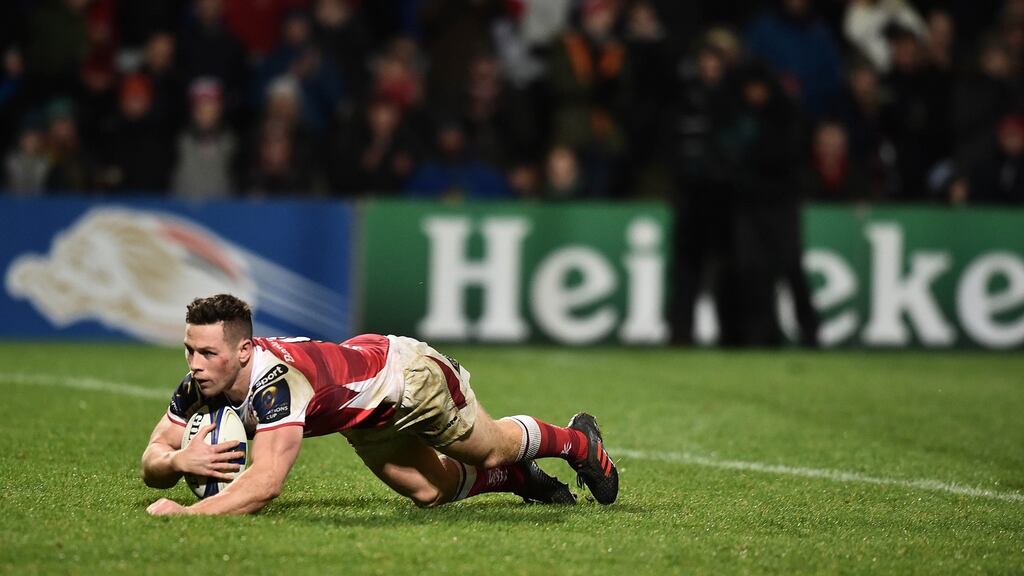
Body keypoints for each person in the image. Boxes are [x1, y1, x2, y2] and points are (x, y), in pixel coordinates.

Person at [143, 294, 618, 515]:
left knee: (489, 447)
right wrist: (178, 459)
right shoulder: (199, 384)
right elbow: (152, 458)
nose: (196, 363)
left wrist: (189, 515)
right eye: (190, 350)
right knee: (429, 492)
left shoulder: (276, 385)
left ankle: (579, 442)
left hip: (406, 379)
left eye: (208, 353)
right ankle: (518, 478)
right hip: (361, 412)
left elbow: (265, 484)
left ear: (244, 351)